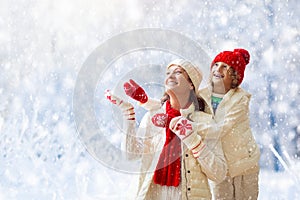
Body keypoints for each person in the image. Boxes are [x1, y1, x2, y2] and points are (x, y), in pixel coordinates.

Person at [105, 59, 227, 200]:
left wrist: (193, 141)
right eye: (168, 73)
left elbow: (219, 173)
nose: (170, 76)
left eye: (178, 72)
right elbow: (131, 155)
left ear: (191, 84)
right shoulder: (153, 117)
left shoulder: (205, 122)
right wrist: (128, 115)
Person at [197, 48, 261, 200]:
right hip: (219, 166)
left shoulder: (240, 100)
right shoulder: (202, 95)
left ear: (235, 77)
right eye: (216, 64)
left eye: (225, 66)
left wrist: (192, 127)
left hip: (244, 165)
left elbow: (220, 129)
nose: (218, 69)